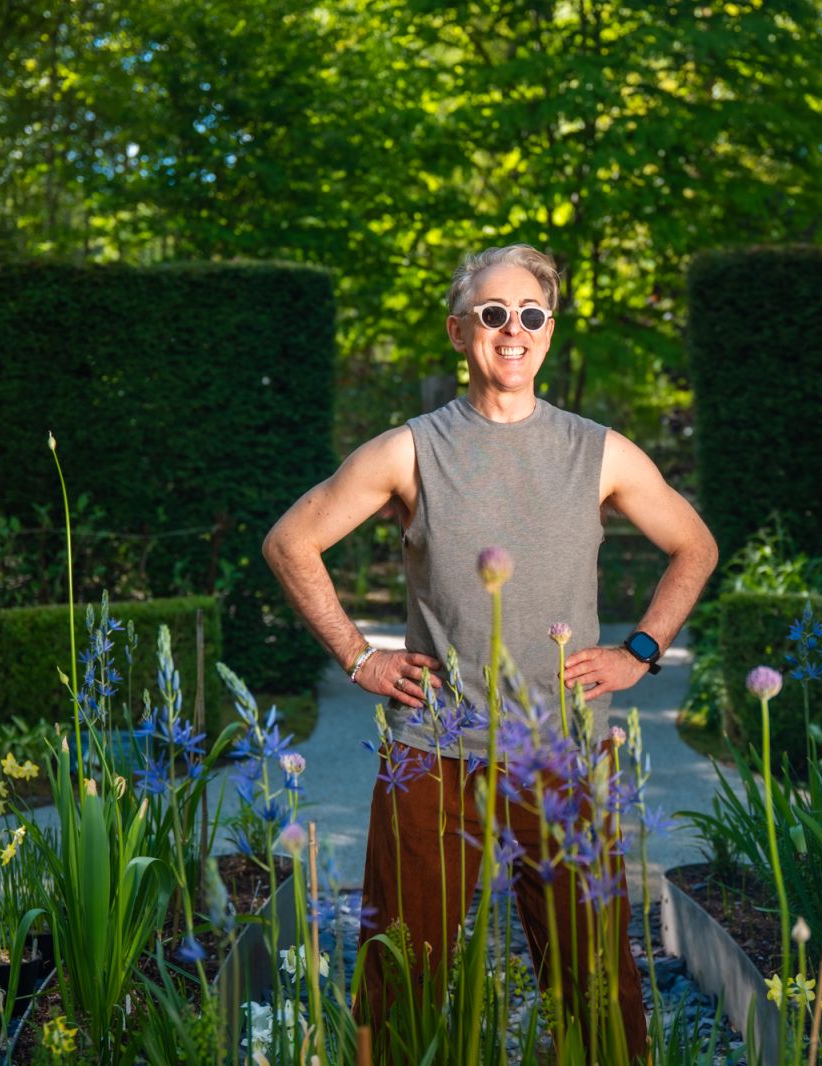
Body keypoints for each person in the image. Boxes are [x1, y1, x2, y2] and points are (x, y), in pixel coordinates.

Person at [262, 244, 718, 1060]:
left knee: (596, 988)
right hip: (433, 753)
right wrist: (360, 657)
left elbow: (696, 546)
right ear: (458, 330)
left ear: (550, 332)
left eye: (532, 316)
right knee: (400, 979)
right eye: (494, 314)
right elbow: (291, 542)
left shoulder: (599, 452)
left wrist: (640, 651)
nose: (514, 331)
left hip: (564, 753)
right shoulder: (409, 451)